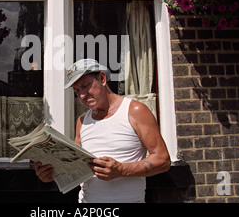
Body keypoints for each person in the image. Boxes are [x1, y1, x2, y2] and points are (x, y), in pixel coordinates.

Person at [34, 59, 171, 203]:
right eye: (77, 91)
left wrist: (122, 170)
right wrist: (51, 174)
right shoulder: (82, 121)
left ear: (102, 78)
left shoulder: (134, 111)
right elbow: (76, 169)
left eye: (86, 86)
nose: (82, 95)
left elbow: (163, 160)